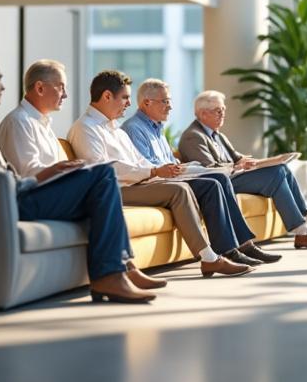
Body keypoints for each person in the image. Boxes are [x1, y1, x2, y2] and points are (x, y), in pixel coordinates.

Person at [0, 51, 159, 304]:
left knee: (101, 180)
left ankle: (119, 267)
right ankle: (111, 273)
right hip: (9, 202)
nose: (3, 85)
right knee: (102, 175)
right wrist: (49, 173)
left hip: (12, 196)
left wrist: (60, 171)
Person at [67, 70, 252, 278]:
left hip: (137, 183)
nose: (129, 103)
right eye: (125, 97)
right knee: (179, 190)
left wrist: (160, 172)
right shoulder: (84, 128)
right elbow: (104, 169)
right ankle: (209, 258)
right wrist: (154, 171)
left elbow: (138, 161)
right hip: (116, 190)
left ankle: (214, 256)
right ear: (107, 96)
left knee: (194, 185)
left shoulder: (116, 129)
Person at [121, 78, 281, 266]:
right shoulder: (133, 129)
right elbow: (148, 167)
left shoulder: (157, 128)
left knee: (219, 178)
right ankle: (229, 249)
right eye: (165, 101)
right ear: (147, 103)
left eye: (169, 101)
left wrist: (185, 166)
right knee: (212, 183)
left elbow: (170, 162)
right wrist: (177, 168)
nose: (170, 106)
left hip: (173, 176)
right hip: (157, 182)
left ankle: (242, 245)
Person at [178, 91, 307, 250]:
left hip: (233, 176)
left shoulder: (217, 134)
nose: (223, 114)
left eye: (224, 110)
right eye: (218, 111)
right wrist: (238, 167)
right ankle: (303, 233)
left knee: (282, 168)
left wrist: (256, 162)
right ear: (203, 114)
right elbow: (209, 169)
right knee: (277, 173)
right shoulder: (193, 136)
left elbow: (237, 157)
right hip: (221, 183)